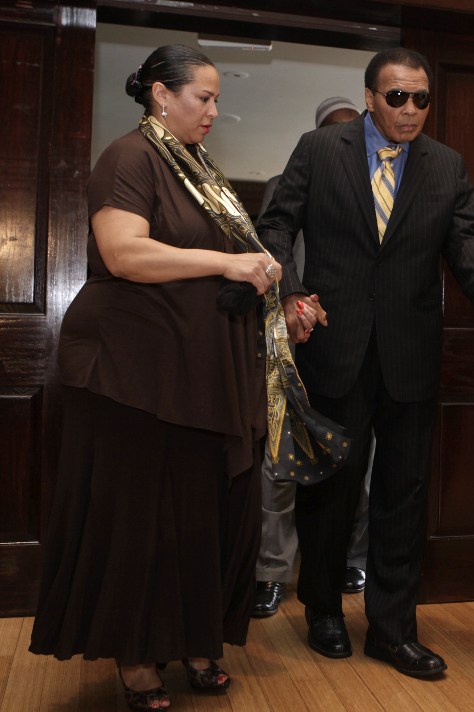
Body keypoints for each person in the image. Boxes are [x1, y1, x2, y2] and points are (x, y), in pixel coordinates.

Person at [28, 45, 284, 711]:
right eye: (203, 97)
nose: (214, 111)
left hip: (199, 374)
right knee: (142, 521)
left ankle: (197, 641)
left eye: (217, 99)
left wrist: (261, 278)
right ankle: (137, 657)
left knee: (200, 519)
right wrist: (228, 266)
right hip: (133, 377)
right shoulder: (130, 157)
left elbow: (218, 259)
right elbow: (124, 251)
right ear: (160, 96)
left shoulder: (199, 169)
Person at [257, 46, 474, 678]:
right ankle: (322, 609)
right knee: (330, 491)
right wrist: (288, 290)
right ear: (370, 96)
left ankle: (393, 629)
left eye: (421, 98)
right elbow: (275, 224)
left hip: (409, 354)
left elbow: (464, 239)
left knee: (403, 494)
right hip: (335, 349)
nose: (410, 109)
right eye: (396, 97)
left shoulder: (445, 165)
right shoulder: (320, 151)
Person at [253, 97, 372, 619]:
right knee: (280, 466)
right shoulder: (289, 182)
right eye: (333, 132)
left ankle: (352, 557)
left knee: (355, 467)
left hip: (360, 352)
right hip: (294, 343)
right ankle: (271, 572)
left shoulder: (386, 186)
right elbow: (270, 252)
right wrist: (292, 305)